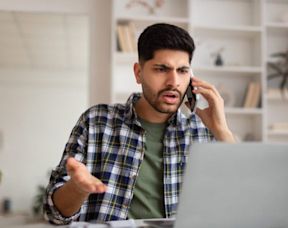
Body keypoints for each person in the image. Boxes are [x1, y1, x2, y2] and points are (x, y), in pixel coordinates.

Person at [43, 23, 235, 224]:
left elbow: (239, 205)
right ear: (138, 73)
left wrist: (222, 132)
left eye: (182, 70)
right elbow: (54, 214)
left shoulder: (202, 132)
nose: (174, 81)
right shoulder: (96, 121)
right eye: (162, 69)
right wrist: (77, 188)